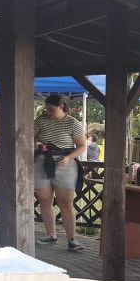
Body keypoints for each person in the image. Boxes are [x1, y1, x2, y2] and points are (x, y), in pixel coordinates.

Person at [34, 94, 87, 251]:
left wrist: (69, 158)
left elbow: (82, 146)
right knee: (44, 200)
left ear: (61, 106)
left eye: (51, 109)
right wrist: (36, 142)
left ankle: (72, 240)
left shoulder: (72, 123)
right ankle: (51, 235)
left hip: (65, 164)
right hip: (43, 161)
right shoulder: (41, 120)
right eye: (46, 109)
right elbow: (29, 137)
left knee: (65, 202)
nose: (48, 112)